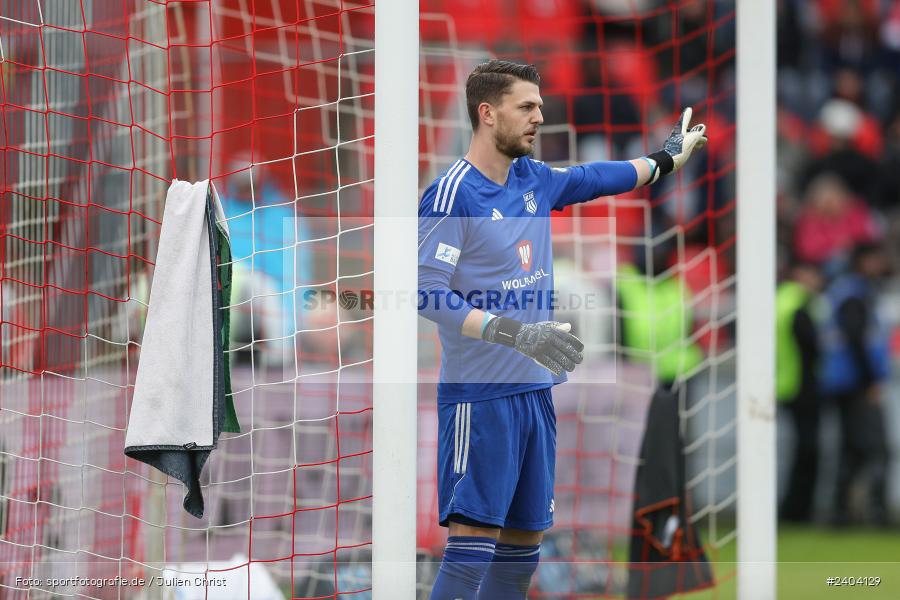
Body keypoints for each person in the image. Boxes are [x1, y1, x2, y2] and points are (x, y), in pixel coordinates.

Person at [417, 59, 708, 600]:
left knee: (524, 549)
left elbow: (593, 179)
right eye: (526, 107)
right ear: (487, 113)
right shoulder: (453, 193)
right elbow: (426, 292)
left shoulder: (531, 179)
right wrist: (515, 333)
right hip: (480, 400)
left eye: (540, 108)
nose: (538, 118)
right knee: (470, 549)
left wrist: (662, 161)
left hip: (535, 395)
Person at [820, 243, 891, 526]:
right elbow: (857, 339)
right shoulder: (855, 295)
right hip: (856, 384)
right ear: (863, 261)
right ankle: (876, 512)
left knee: (851, 449)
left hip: (844, 383)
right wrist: (872, 380)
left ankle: (841, 513)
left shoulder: (846, 291)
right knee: (876, 449)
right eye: (876, 259)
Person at [775, 262, 823, 523]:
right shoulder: (799, 305)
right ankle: (797, 512)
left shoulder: (779, 301)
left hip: (783, 384)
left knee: (796, 451)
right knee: (807, 451)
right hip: (800, 386)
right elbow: (813, 347)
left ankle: (792, 510)